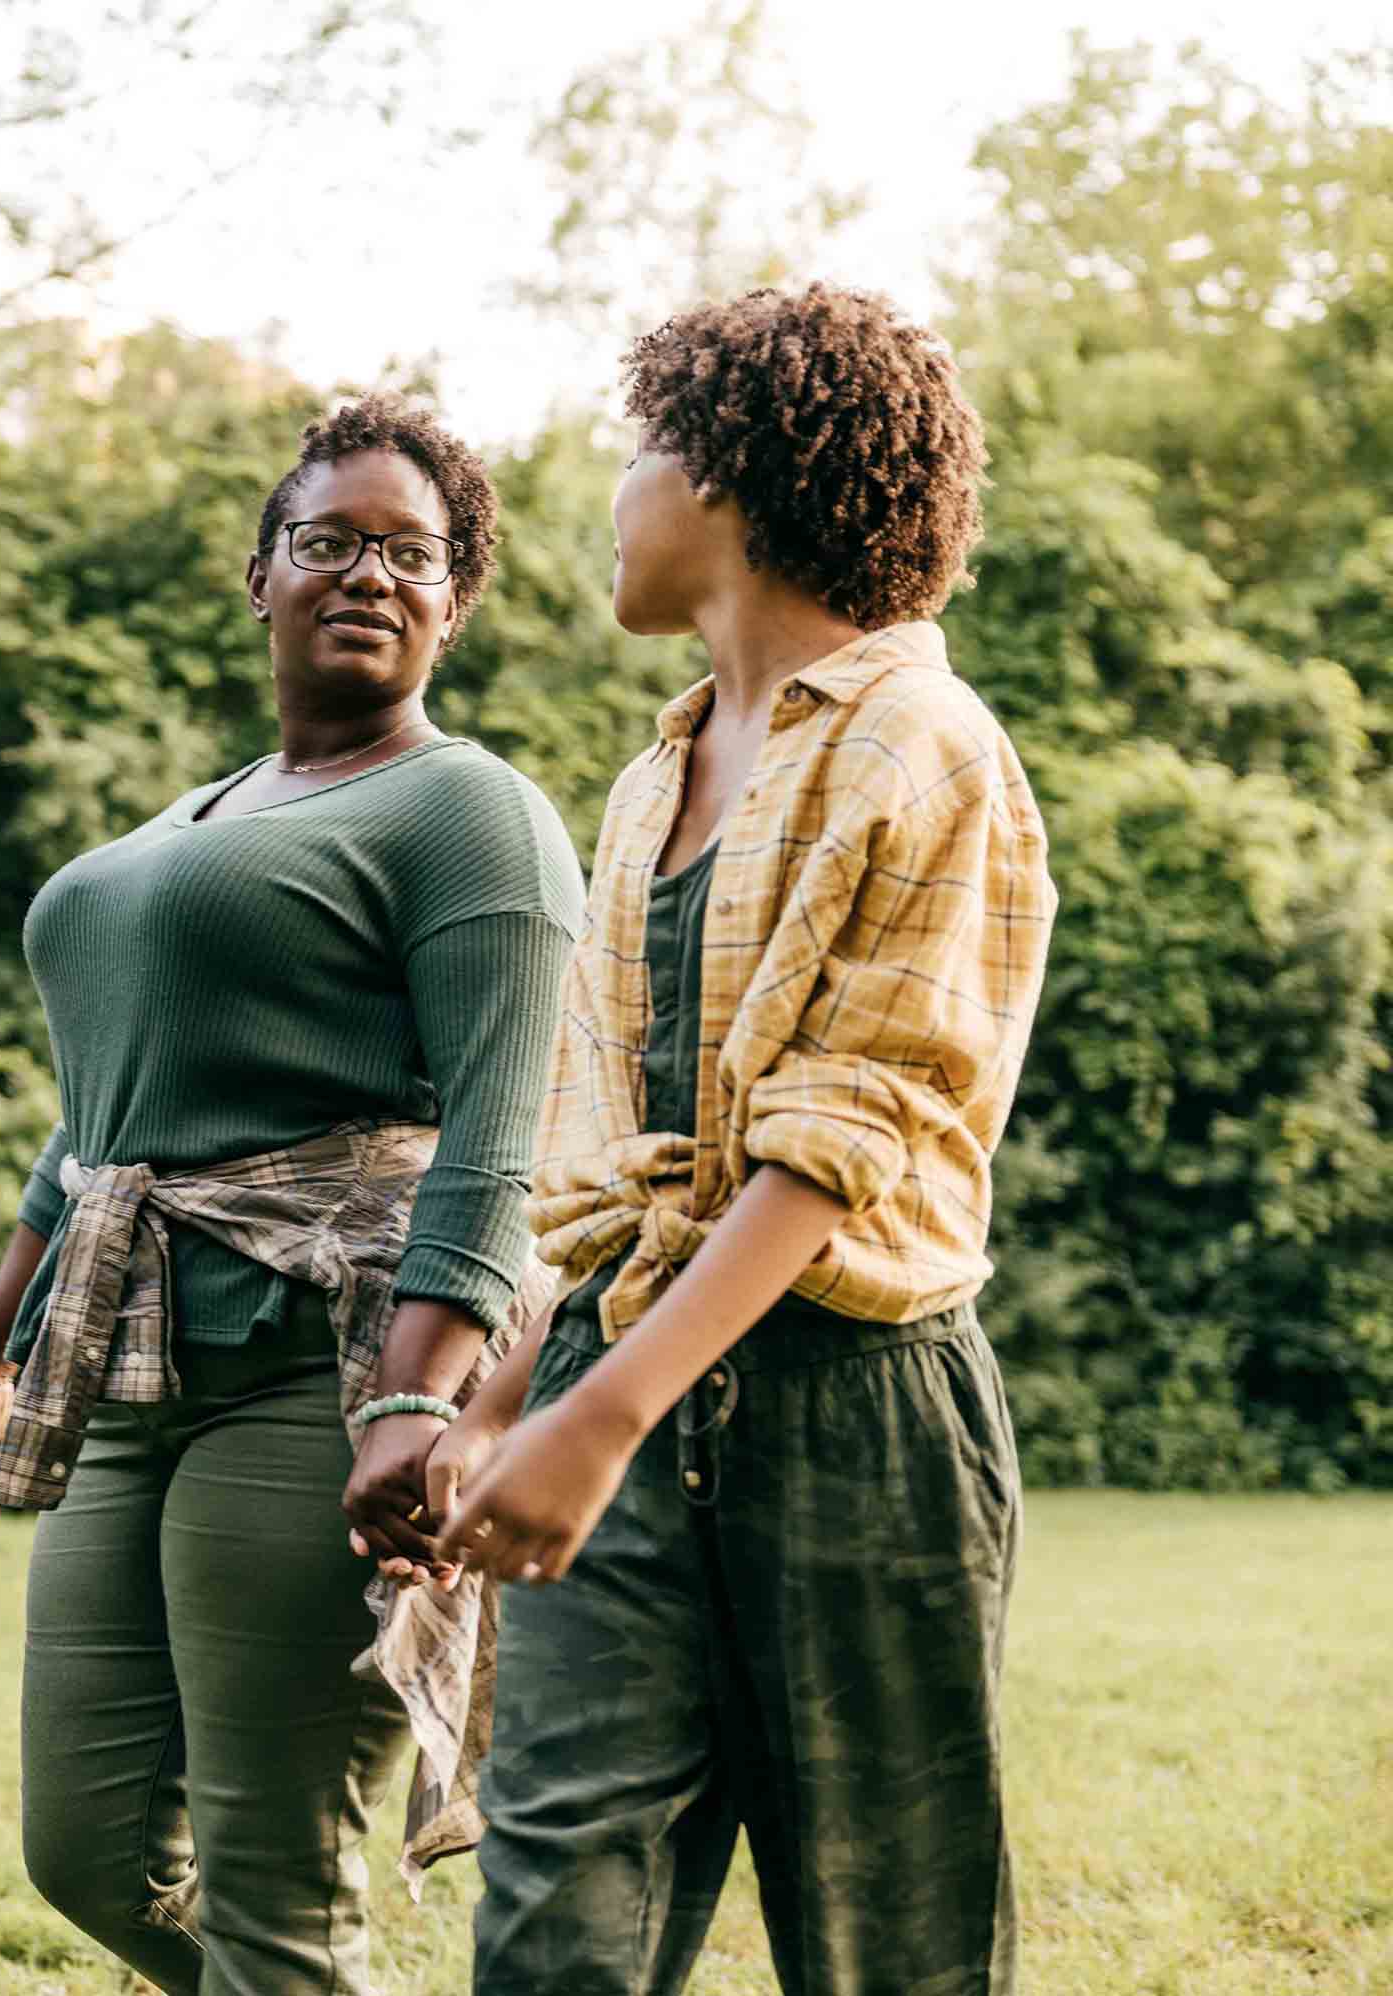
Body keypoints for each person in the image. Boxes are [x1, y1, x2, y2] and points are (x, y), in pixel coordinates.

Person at [429, 284, 1058, 1994]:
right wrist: (506, 1400)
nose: (612, 492)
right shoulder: (651, 780)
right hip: (616, 1382)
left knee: (888, 1941)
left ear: (720, 472)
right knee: (558, 1923)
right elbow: (609, 1172)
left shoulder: (929, 749)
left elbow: (842, 1140)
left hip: (856, 1412)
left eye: (637, 447)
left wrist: (597, 1419)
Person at [0, 392, 586, 1996]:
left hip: (318, 1375)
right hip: (132, 1374)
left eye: (412, 554)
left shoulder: (467, 810)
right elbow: (99, 1127)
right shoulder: (203, 812)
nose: (369, 573)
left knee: (274, 1883)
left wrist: (412, 1402)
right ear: (263, 571)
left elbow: (499, 1138)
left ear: (454, 604)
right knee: (86, 1851)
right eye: (329, 539)